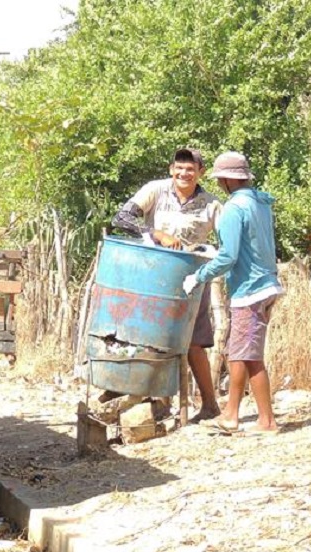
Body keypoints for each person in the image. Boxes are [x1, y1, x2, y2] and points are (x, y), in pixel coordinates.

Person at [112, 147, 222, 422]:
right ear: (171, 169)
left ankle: (210, 405)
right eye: (179, 168)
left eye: (191, 169)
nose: (184, 173)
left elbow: (229, 240)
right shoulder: (155, 190)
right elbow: (121, 219)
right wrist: (155, 233)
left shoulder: (211, 204)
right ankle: (158, 404)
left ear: (200, 173)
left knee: (194, 342)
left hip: (193, 279)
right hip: (155, 277)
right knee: (153, 339)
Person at [182, 151, 284, 435]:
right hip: (267, 284)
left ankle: (266, 421)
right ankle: (231, 413)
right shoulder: (260, 203)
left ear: (226, 180)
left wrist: (199, 276)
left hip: (249, 289)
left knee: (249, 357)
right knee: (240, 352)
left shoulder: (233, 209)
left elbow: (228, 257)